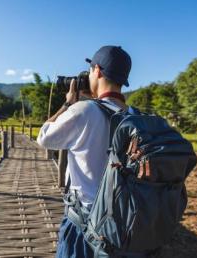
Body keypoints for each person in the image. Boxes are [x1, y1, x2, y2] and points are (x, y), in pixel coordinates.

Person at [36, 45, 131, 258]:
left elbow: (44, 137)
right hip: (123, 220)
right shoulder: (133, 115)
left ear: (96, 70)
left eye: (89, 71)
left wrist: (69, 103)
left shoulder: (84, 110)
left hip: (85, 221)